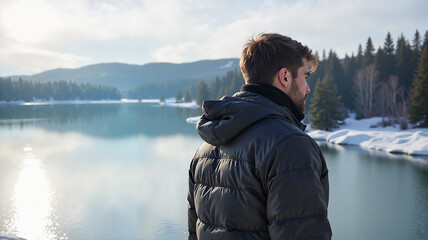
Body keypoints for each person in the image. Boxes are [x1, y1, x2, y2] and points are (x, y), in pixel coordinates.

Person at [187, 33, 332, 240]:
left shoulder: (205, 149)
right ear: (285, 76)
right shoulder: (290, 145)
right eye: (305, 76)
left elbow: (194, 233)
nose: (308, 88)